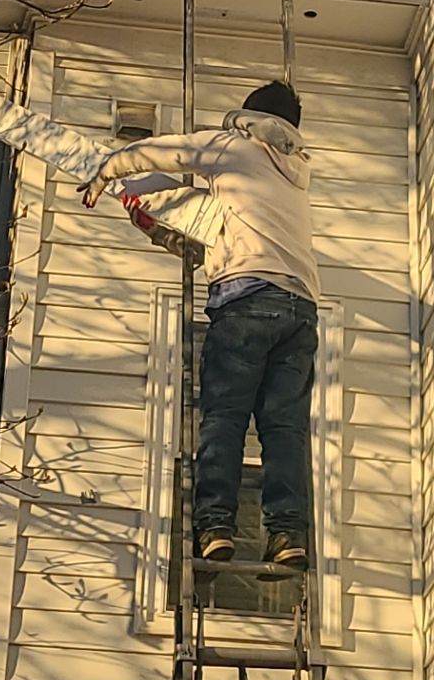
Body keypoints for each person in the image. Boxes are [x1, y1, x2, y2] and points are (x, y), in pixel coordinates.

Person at [82, 81, 317, 568]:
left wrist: (109, 167)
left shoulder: (234, 146)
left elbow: (165, 152)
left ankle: (215, 528)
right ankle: (287, 533)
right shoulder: (297, 169)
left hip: (246, 296)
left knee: (225, 418)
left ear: (247, 115)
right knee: (283, 429)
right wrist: (174, 227)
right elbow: (222, 220)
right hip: (300, 306)